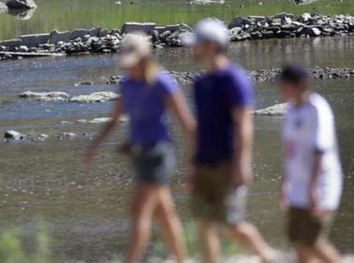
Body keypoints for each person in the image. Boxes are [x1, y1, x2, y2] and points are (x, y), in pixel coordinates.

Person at [84, 33, 196, 263]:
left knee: (138, 212)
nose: (129, 67)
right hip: (139, 154)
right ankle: (182, 259)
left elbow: (187, 123)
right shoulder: (127, 84)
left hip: (159, 154)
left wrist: (192, 162)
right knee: (165, 214)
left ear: (145, 58)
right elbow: (114, 119)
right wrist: (93, 146)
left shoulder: (162, 82)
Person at [182, 18, 277, 263]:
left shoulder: (234, 79)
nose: (192, 49)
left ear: (212, 46)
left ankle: (269, 257)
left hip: (227, 162)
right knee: (204, 224)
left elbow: (244, 123)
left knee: (232, 225)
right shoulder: (200, 83)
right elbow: (200, 127)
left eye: (197, 44)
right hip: (204, 164)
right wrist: (192, 165)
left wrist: (242, 163)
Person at [279, 64, 343, 263]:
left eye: (285, 85)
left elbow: (320, 151)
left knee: (314, 242)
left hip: (321, 186)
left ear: (301, 84)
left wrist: (314, 188)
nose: (281, 89)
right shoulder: (290, 109)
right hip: (297, 188)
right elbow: (291, 151)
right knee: (298, 242)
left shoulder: (317, 108)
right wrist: (285, 182)